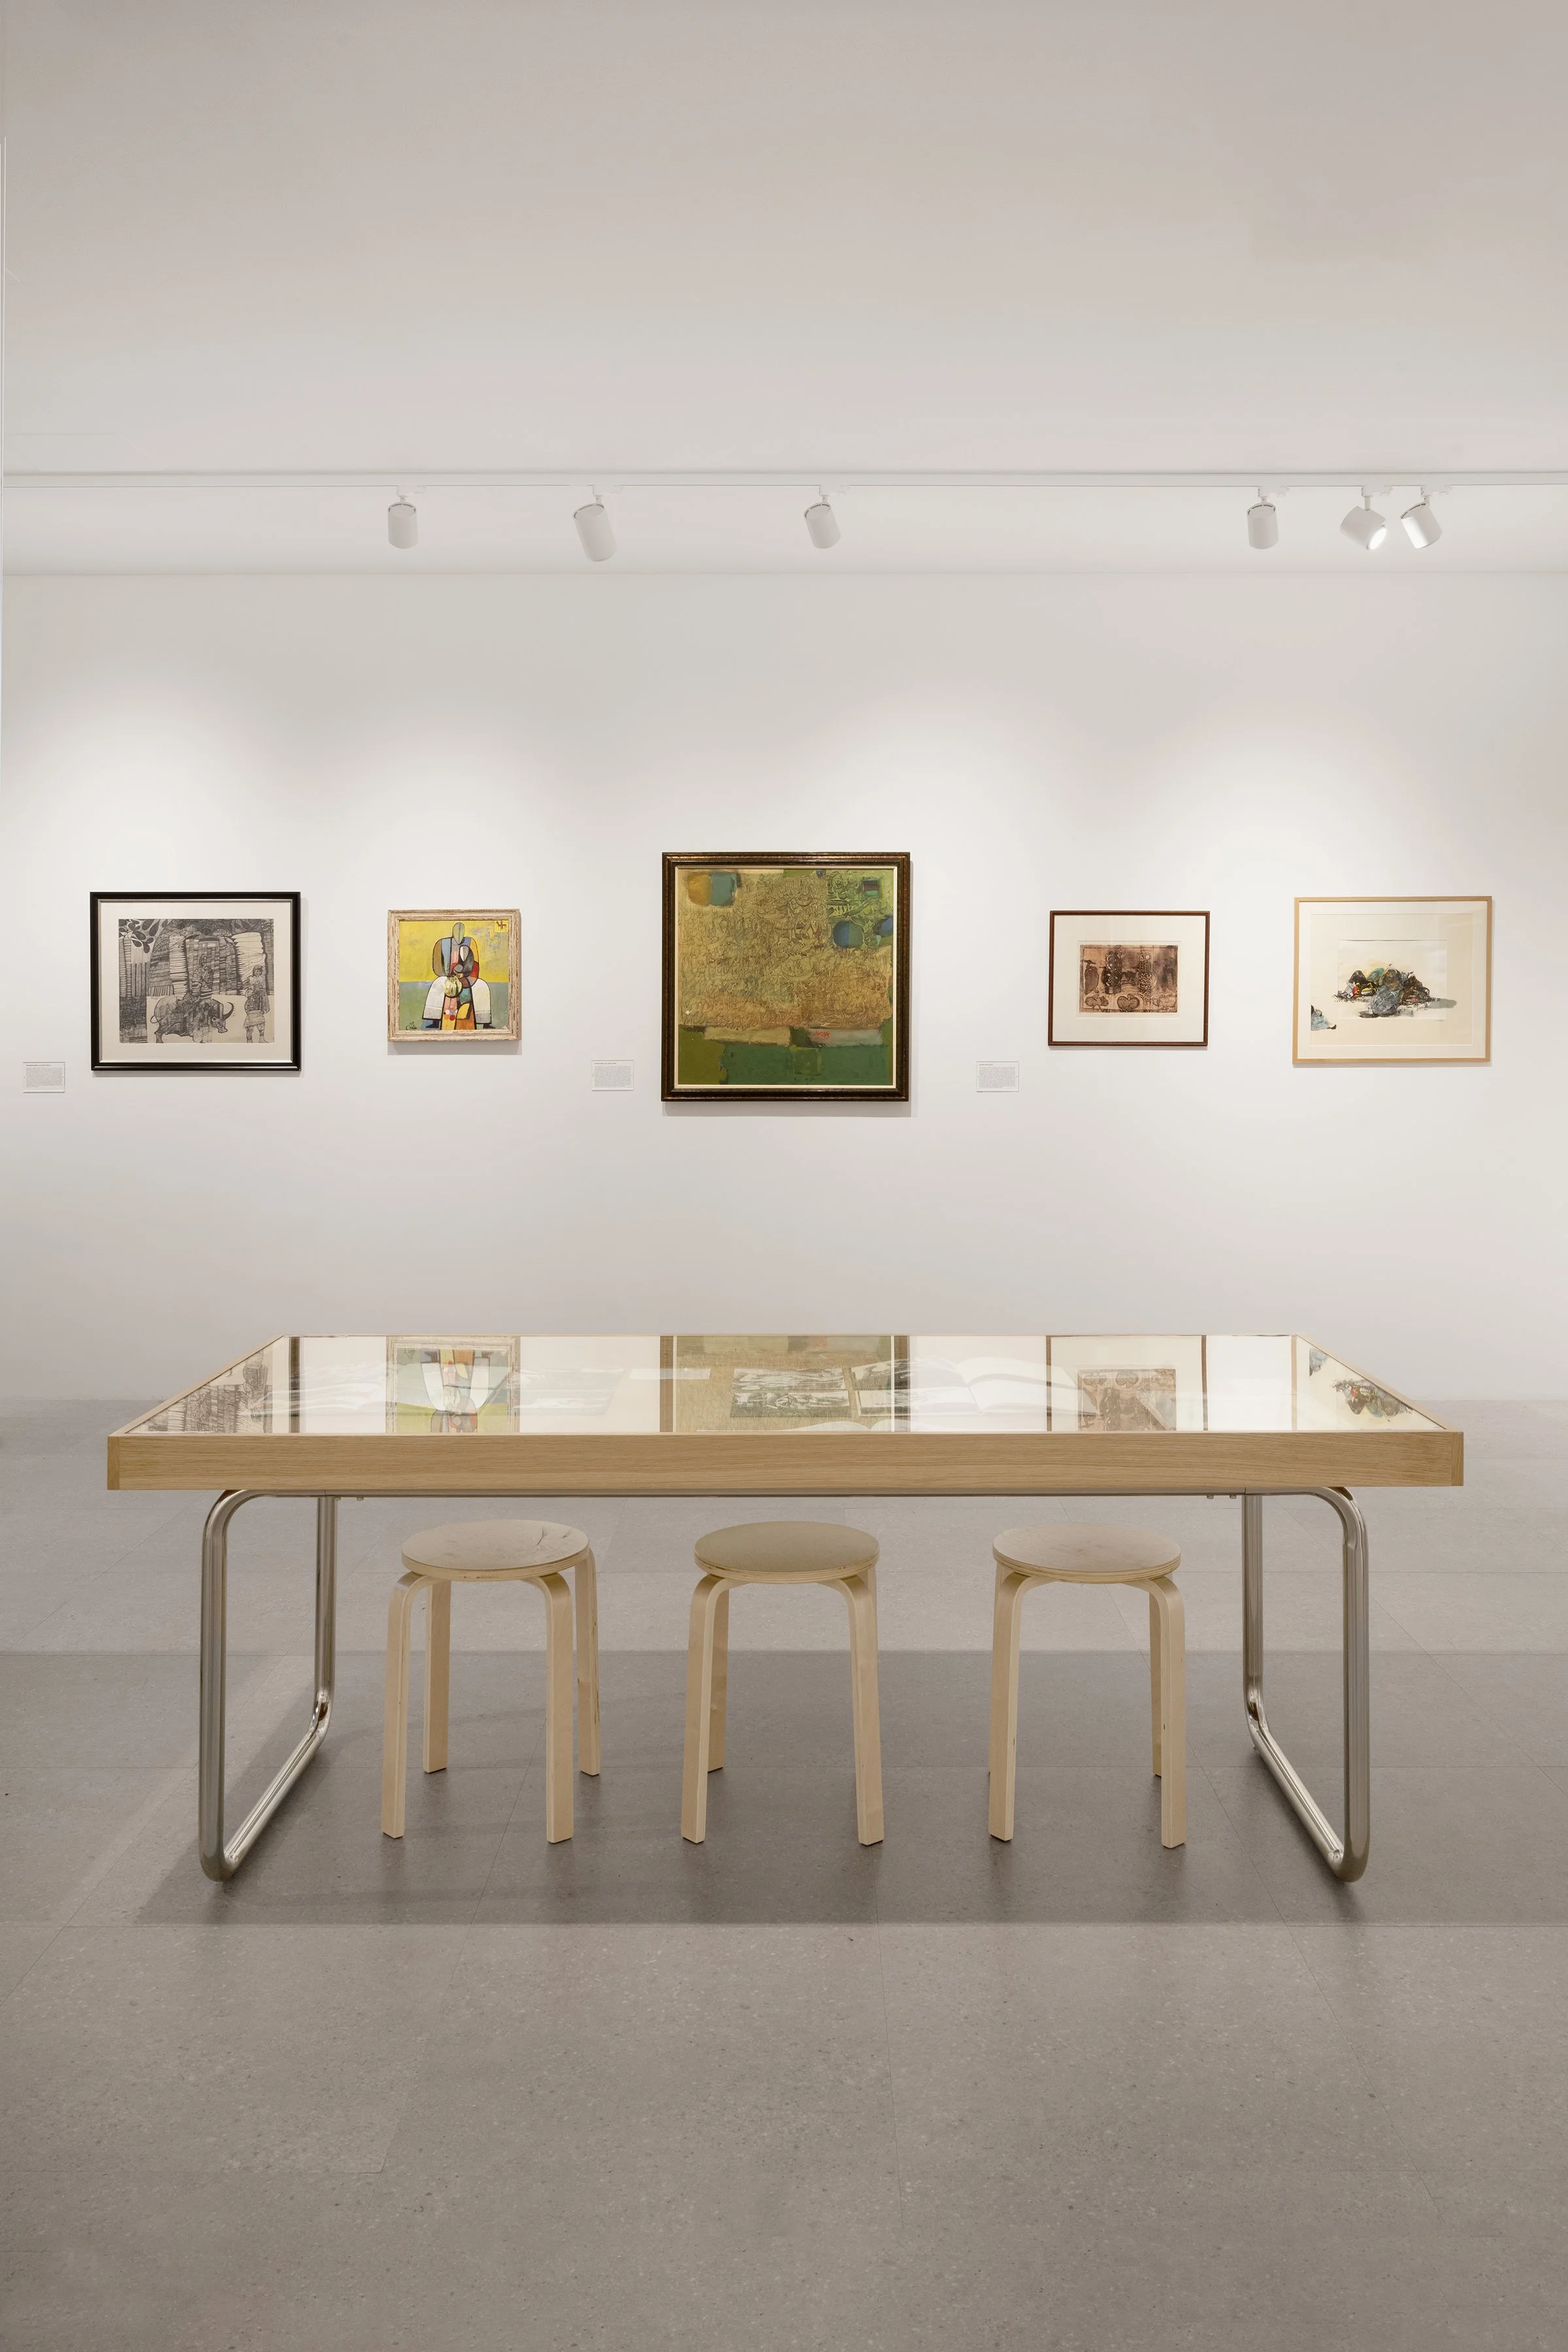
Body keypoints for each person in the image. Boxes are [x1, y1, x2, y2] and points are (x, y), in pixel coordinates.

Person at [420, 919, 492, 1030]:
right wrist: (449, 975)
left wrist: (464, 975)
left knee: (482, 986)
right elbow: (437, 965)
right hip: (448, 975)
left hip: (467, 976)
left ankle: (484, 1021)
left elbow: (475, 964)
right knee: (437, 984)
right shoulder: (442, 943)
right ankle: (435, 1019)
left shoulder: (471, 942)